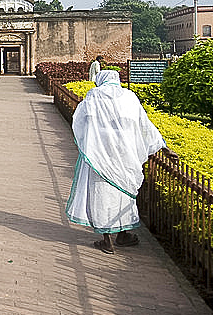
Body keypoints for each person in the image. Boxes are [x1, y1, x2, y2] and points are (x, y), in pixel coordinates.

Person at [66, 69, 165, 254]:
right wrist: (163, 146)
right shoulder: (129, 96)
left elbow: (81, 119)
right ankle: (123, 234)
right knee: (123, 193)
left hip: (101, 154)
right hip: (125, 155)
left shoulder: (94, 95)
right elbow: (144, 124)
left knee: (101, 194)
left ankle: (107, 240)